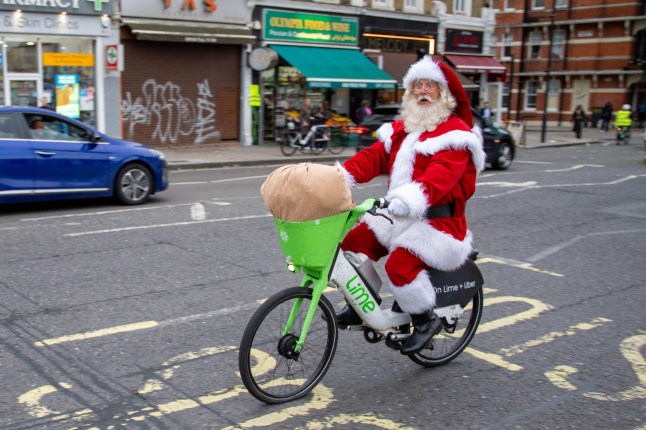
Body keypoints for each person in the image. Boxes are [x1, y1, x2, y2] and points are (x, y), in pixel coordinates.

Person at [335, 56, 485, 355]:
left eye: (430, 85)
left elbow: (440, 176)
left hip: (437, 223)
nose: (423, 91)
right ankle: (362, 303)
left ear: (443, 93)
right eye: (417, 85)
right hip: (398, 214)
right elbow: (373, 157)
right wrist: (339, 178)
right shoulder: (404, 129)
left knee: (399, 265)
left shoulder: (455, 134)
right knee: (352, 243)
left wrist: (410, 199)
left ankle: (425, 320)